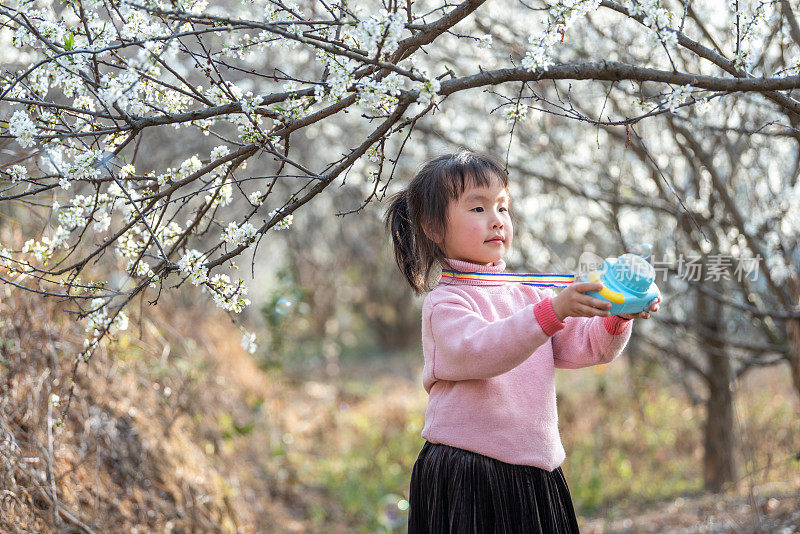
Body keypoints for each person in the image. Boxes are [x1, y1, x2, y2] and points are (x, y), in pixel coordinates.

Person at [383, 150, 659, 533]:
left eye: (502, 207)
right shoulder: (444, 302)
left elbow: (589, 348)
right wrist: (553, 311)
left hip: (536, 471)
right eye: (477, 209)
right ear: (433, 228)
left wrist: (618, 315)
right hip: (469, 472)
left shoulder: (529, 294)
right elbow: (482, 351)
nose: (496, 221)